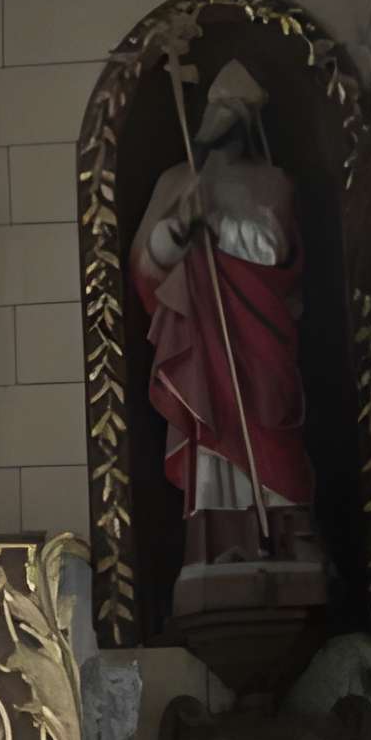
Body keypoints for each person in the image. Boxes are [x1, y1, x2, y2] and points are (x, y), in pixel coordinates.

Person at [128, 61, 314, 564]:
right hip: (201, 337)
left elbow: (275, 249)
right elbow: (146, 265)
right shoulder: (176, 181)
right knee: (208, 424)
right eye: (220, 113)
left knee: (272, 425)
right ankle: (218, 541)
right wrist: (175, 234)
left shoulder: (272, 182)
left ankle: (287, 535)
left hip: (260, 335)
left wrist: (214, 224)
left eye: (237, 114)